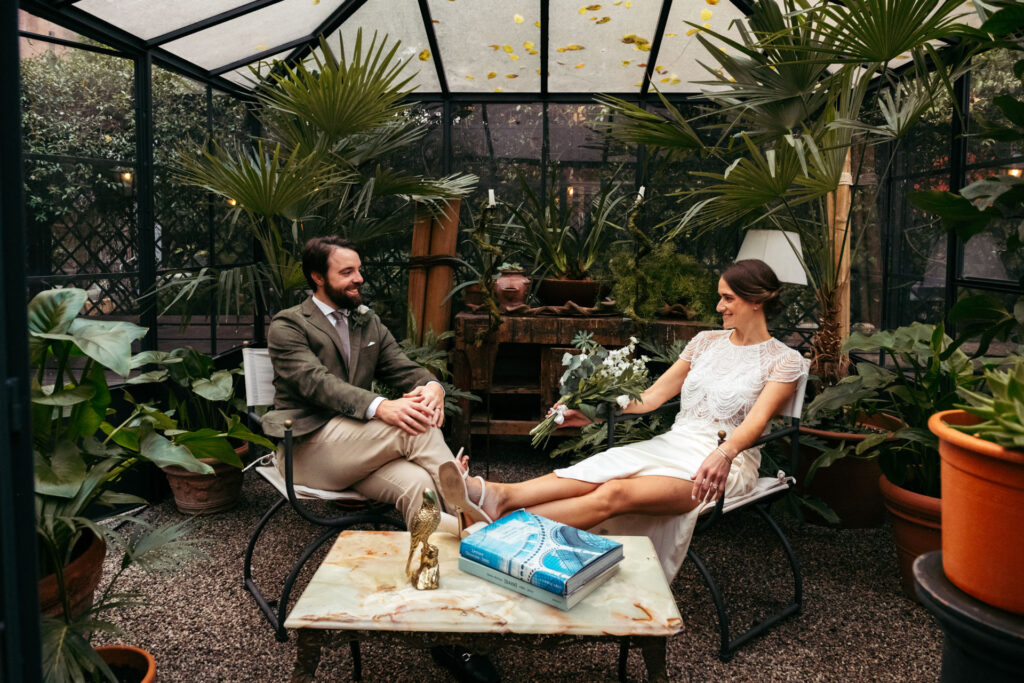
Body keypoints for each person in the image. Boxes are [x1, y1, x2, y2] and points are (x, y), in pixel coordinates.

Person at [440, 259, 809, 579]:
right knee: (604, 466)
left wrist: (725, 454)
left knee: (615, 491)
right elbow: (650, 399)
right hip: (672, 445)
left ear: (757, 300)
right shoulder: (705, 342)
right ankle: (499, 496)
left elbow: (757, 423)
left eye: (728, 298)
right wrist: (589, 413)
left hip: (723, 464)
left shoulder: (783, 360)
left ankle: (498, 531)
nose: (719, 306)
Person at [264, 236, 500, 682]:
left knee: (420, 490)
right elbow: (316, 384)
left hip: (360, 452)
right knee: (411, 426)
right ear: (318, 277)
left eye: (359, 270)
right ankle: (474, 508)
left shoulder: (367, 322)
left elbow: (405, 368)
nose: (359, 278)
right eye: (347, 272)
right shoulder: (288, 325)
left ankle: (443, 618)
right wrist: (381, 406)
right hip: (311, 449)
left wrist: (432, 387)